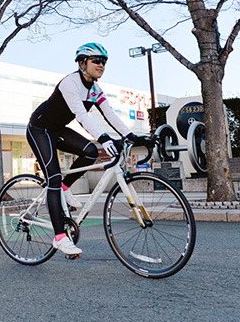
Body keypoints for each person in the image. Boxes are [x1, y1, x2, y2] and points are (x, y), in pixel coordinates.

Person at [26, 42, 153, 259]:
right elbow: (82, 116)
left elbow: (110, 115)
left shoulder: (95, 89)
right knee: (53, 178)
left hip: (58, 130)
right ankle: (59, 238)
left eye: (104, 61)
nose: (101, 65)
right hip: (40, 129)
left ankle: (66, 187)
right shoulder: (70, 83)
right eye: (97, 60)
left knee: (91, 153)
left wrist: (130, 135)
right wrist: (103, 138)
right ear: (82, 63)